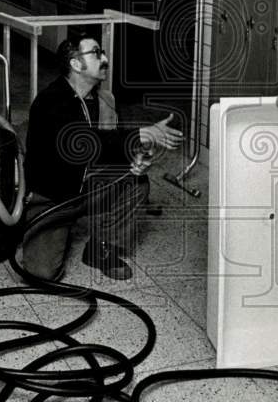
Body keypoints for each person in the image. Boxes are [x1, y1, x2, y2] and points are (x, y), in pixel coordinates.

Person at [22, 33, 184, 281]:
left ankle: (101, 247)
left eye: (103, 53)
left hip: (87, 187)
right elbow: (82, 143)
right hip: (52, 197)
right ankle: (50, 227)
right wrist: (140, 134)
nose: (105, 58)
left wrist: (138, 156)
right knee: (42, 273)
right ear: (76, 64)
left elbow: (112, 143)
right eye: (96, 53)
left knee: (136, 183)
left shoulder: (105, 100)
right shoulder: (51, 102)